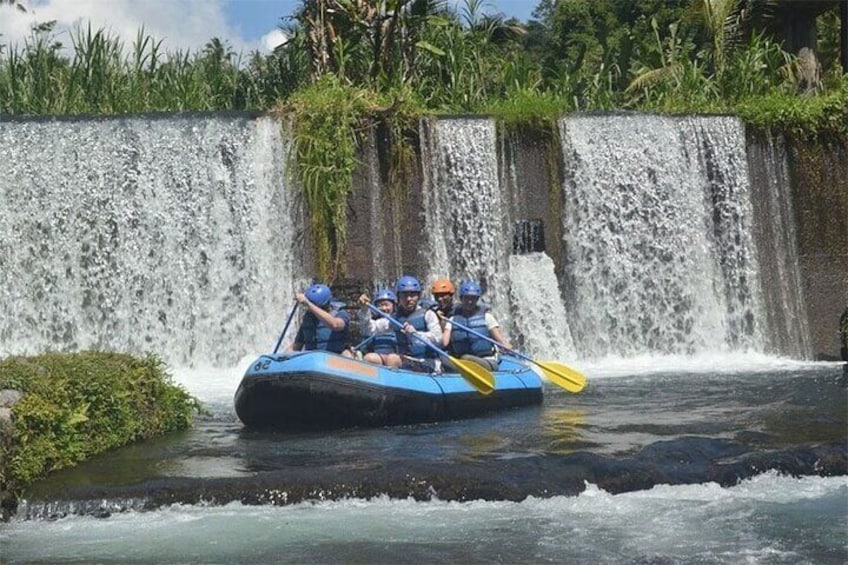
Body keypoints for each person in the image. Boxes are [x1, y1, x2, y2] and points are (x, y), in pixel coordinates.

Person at [442, 280, 511, 371]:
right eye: (467, 298)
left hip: (486, 361)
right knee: (444, 359)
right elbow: (444, 343)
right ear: (461, 299)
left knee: (467, 358)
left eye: (473, 298)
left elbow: (500, 340)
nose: (470, 301)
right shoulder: (452, 320)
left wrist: (508, 347)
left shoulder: (487, 318)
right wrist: (442, 323)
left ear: (477, 299)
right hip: (461, 361)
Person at [393, 275, 443, 372]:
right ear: (399, 297)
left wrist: (415, 334)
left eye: (412, 295)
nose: (408, 299)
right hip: (406, 361)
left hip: (427, 361)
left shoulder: (428, 314)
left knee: (393, 359)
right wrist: (365, 310)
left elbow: (438, 339)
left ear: (418, 296)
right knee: (381, 358)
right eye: (404, 295)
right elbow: (371, 329)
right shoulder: (394, 318)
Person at [287, 283, 350, 354]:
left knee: (347, 354)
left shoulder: (341, 313)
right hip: (312, 360)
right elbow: (297, 345)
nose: (310, 310)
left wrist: (308, 303)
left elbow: (335, 325)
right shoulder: (308, 317)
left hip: (335, 358)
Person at [355, 289, 402, 368]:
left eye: (386, 305)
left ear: (394, 306)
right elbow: (367, 328)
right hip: (378, 356)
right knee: (369, 358)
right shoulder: (376, 322)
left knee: (392, 360)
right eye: (380, 305)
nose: (383, 308)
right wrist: (365, 309)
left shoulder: (399, 319)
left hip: (396, 356)